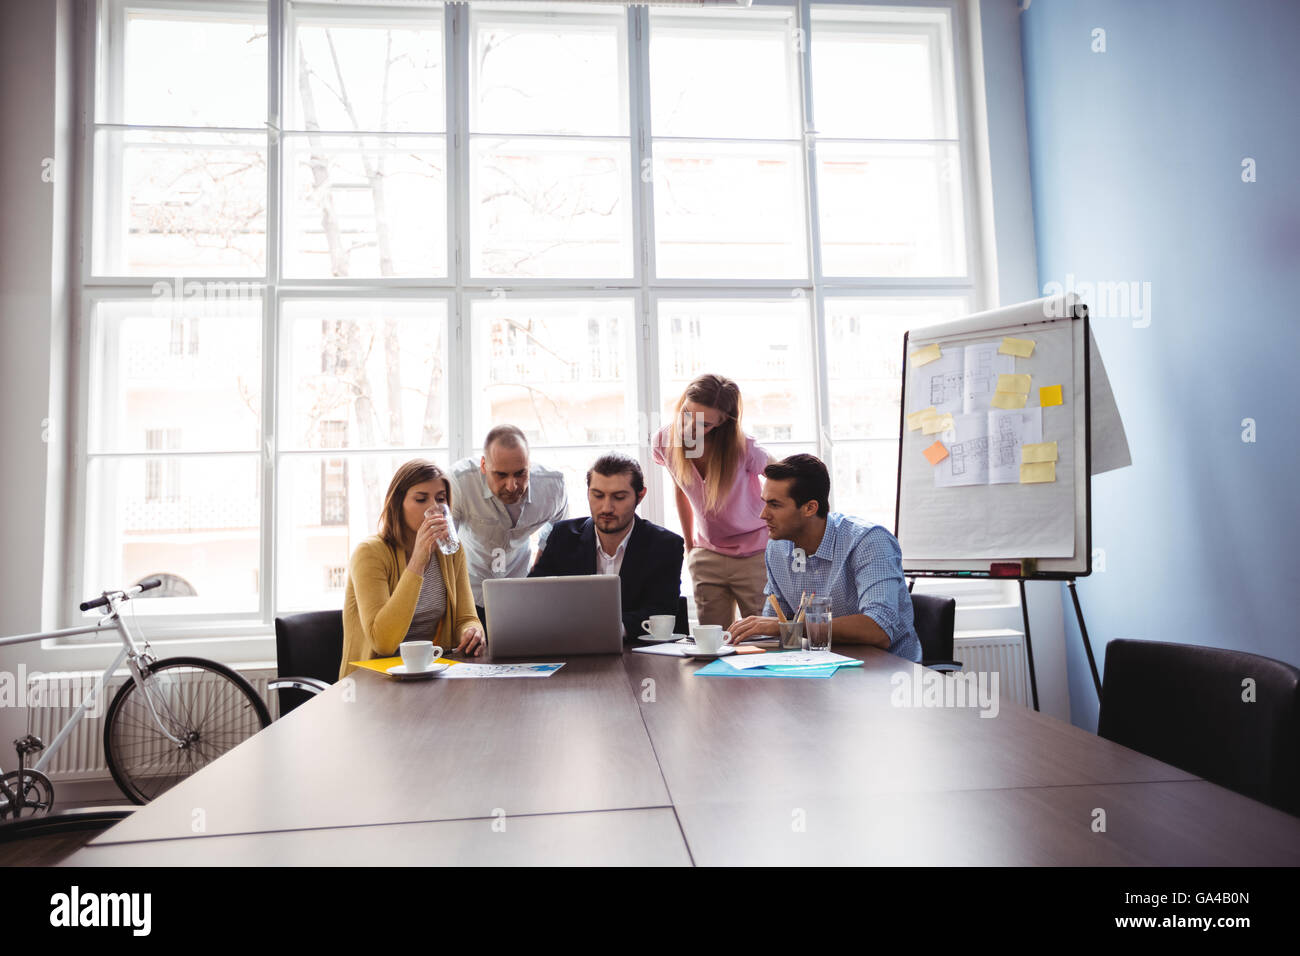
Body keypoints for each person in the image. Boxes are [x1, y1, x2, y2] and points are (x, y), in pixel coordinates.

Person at [728, 453, 922, 662]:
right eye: (765, 503)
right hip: (821, 668)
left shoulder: (869, 542)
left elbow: (878, 629)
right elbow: (775, 624)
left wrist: (786, 627)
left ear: (810, 508)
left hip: (886, 673)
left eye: (775, 505)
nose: (763, 514)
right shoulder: (777, 548)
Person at [340, 459, 485, 678]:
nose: (433, 508)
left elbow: (466, 618)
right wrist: (417, 561)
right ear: (398, 503)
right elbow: (383, 642)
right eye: (421, 499)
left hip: (429, 673)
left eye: (440, 499)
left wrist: (472, 632)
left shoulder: (451, 551)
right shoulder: (369, 553)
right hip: (374, 682)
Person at [651, 373, 770, 627]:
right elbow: (681, 488)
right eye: (687, 414)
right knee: (713, 644)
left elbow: (786, 481)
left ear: (723, 422)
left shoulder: (745, 448)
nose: (689, 429)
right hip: (707, 554)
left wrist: (780, 542)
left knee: (764, 641)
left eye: (703, 424)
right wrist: (690, 547)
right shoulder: (664, 441)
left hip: (756, 555)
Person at [530, 453, 684, 641]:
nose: (606, 508)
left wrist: (608, 629)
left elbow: (661, 611)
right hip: (570, 651)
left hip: (637, 656)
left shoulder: (665, 545)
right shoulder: (562, 536)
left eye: (619, 497)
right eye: (598, 495)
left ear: (640, 496)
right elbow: (534, 597)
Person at [447, 425, 567, 632]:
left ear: (529, 464)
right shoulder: (459, 482)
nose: (512, 486)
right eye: (501, 475)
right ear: (483, 466)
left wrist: (538, 567)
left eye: (520, 473)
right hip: (468, 597)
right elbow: (445, 545)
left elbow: (558, 532)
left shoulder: (552, 486)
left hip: (521, 595)